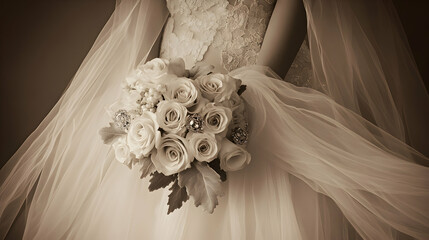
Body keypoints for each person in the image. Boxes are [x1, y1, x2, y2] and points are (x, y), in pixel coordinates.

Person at [1, 0, 428, 239]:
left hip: (260, 92)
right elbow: (143, 21)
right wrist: (146, 96)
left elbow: (295, 7)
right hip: (166, 99)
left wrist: (243, 99)